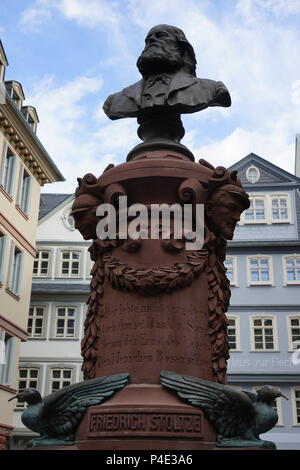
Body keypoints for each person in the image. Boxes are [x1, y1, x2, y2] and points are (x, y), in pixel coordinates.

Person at [103, 24, 231, 121]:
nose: (152, 40)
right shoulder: (115, 101)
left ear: (181, 48)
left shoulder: (212, 89)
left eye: (161, 35)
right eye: (148, 40)